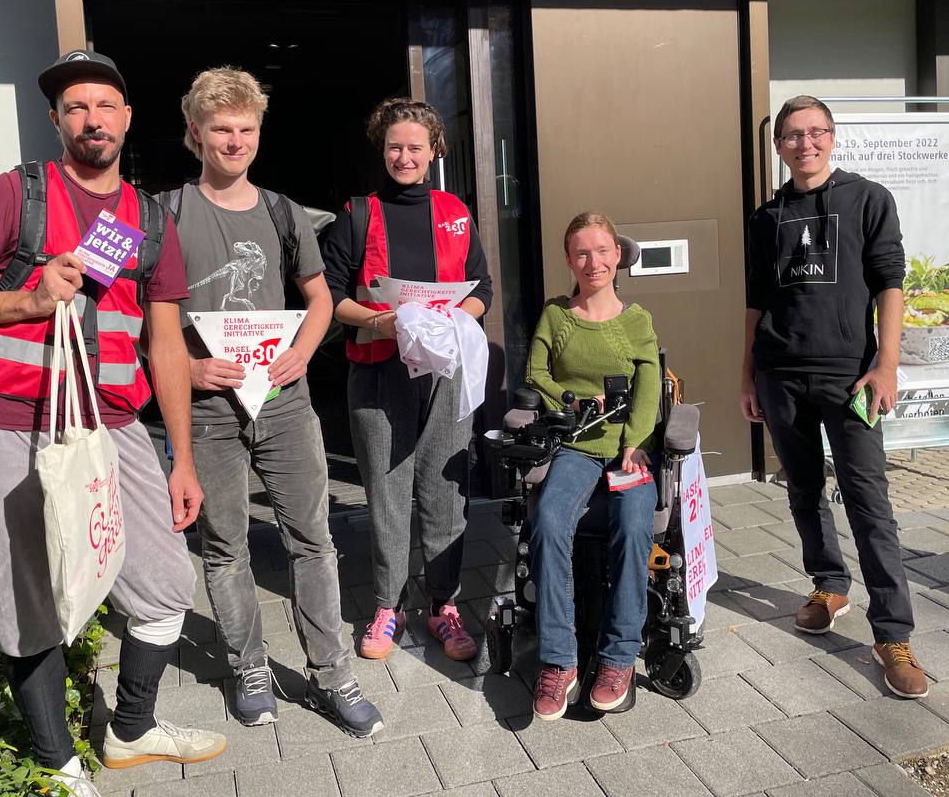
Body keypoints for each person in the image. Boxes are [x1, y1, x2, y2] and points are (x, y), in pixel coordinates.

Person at [0, 50, 226, 795]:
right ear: (56, 120)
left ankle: (131, 730)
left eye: (105, 105)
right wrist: (26, 299)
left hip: (113, 424)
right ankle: (58, 764)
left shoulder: (150, 219)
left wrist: (182, 460)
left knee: (164, 582)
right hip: (8, 419)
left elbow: (165, 347)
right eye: (76, 107)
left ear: (127, 118)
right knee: (26, 597)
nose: (92, 119)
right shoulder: (16, 194)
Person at [169, 66, 382, 736]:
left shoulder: (283, 211)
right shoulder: (165, 212)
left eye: (247, 128)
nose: (235, 141)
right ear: (195, 133)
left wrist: (304, 350)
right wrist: (187, 367)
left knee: (313, 541)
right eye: (221, 129)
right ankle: (249, 668)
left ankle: (332, 674)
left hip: (285, 402)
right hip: (210, 409)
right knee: (225, 546)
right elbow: (141, 318)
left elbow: (319, 299)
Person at [740, 94, 928, 699]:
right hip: (780, 373)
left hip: (851, 378)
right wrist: (748, 374)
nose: (806, 143)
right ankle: (829, 584)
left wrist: (886, 365)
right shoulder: (765, 218)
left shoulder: (868, 199)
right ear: (779, 147)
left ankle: (892, 634)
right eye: (793, 135)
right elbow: (756, 300)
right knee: (802, 489)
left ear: (833, 137)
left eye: (816, 132)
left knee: (869, 501)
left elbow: (891, 283)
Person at [321, 98, 493, 662]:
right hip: (378, 373)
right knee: (388, 494)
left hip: (445, 375)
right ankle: (387, 605)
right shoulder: (357, 214)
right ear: (382, 149)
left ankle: (444, 604)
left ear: (434, 150)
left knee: (445, 491)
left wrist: (454, 319)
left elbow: (482, 290)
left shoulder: (455, 211)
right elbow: (330, 296)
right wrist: (381, 321)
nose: (404, 156)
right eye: (395, 146)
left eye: (415, 147)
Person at [523, 212, 661, 720]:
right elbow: (535, 371)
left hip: (630, 449)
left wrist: (636, 441)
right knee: (548, 520)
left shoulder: (636, 321)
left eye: (602, 250)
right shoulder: (557, 315)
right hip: (576, 446)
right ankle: (560, 661)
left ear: (618, 255)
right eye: (582, 252)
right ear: (569, 259)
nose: (593, 261)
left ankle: (618, 657)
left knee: (633, 522)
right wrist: (570, 401)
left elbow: (649, 385)